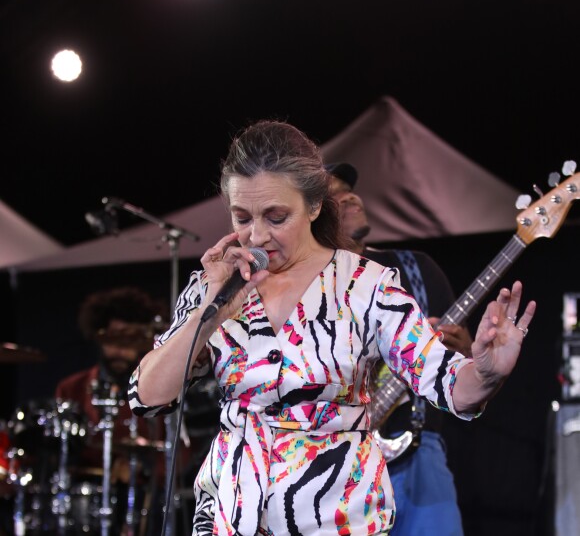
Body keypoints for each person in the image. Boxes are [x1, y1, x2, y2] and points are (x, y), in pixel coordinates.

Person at [129, 119, 536, 536]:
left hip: (336, 514)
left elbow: (447, 382)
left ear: (315, 205)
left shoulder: (367, 284)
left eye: (276, 216)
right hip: (231, 514)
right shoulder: (217, 281)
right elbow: (148, 396)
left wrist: (486, 372)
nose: (257, 235)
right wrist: (210, 308)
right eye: (241, 217)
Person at [327, 161, 472, 535]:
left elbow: (458, 372)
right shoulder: (310, 285)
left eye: (349, 188)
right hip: (335, 464)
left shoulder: (416, 268)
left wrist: (468, 353)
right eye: (333, 193)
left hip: (420, 454)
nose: (350, 195)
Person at [55, 286, 169, 534]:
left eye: (129, 339)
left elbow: (177, 453)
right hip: (83, 501)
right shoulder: (71, 388)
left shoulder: (160, 393)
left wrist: (143, 467)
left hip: (142, 502)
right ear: (99, 336)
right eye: (114, 338)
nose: (120, 348)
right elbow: (59, 453)